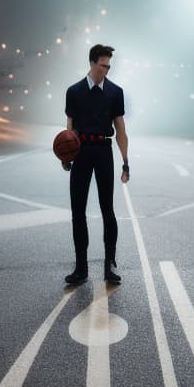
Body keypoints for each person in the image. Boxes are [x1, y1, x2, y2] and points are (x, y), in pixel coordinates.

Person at [63, 44, 129, 285]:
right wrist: (65, 156)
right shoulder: (74, 91)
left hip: (103, 151)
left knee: (107, 210)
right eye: (103, 66)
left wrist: (125, 162)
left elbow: (120, 129)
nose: (106, 70)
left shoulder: (115, 92)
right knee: (77, 212)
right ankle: (80, 268)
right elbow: (69, 127)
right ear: (92, 63)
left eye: (109, 66)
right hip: (80, 153)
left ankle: (109, 266)